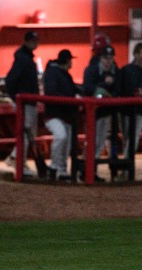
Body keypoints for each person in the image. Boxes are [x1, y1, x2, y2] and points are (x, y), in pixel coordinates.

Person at [4, 30, 40, 177]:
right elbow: (10, 80)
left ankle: (16, 158)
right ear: (26, 41)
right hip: (25, 103)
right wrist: (17, 98)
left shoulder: (25, 58)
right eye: (32, 41)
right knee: (25, 133)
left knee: (28, 133)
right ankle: (18, 161)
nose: (35, 43)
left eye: (36, 41)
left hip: (28, 101)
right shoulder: (23, 59)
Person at [82, 44, 120, 181]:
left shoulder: (116, 71)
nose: (108, 61)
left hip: (107, 113)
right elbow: (88, 88)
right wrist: (104, 85)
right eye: (105, 58)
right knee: (91, 142)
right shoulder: (92, 70)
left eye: (110, 58)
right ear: (101, 58)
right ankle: (86, 171)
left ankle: (92, 171)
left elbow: (118, 90)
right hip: (93, 113)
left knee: (100, 142)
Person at [43, 49, 80, 181]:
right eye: (70, 60)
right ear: (66, 61)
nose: (71, 63)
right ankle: (54, 168)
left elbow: (74, 89)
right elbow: (52, 92)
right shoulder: (53, 73)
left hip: (66, 115)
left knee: (67, 142)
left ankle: (62, 170)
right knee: (61, 136)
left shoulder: (65, 75)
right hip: (54, 114)